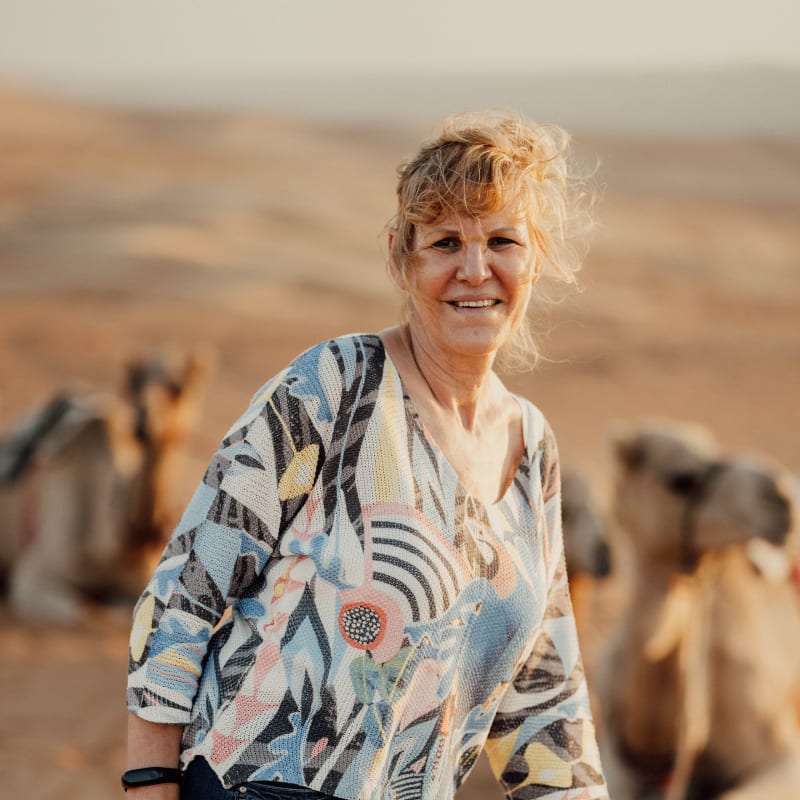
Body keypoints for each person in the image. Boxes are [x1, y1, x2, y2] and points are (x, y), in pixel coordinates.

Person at [124, 110, 608, 800]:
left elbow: (546, 702)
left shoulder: (532, 447)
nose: (476, 269)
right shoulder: (334, 386)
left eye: (502, 240)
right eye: (445, 242)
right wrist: (149, 782)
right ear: (399, 258)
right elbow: (182, 593)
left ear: (535, 260)